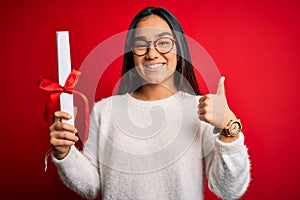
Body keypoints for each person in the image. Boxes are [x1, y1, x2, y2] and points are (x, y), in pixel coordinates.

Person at [49, 7, 250, 200]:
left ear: (179, 50)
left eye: (163, 43)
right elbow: (92, 186)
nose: (152, 54)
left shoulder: (202, 110)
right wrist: (65, 153)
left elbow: (228, 190)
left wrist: (228, 129)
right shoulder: (105, 111)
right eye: (141, 44)